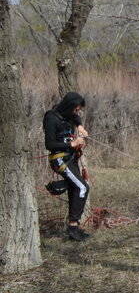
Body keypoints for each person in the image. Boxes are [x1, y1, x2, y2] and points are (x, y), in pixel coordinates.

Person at [43, 91, 91, 242]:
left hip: (71, 158)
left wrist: (81, 127)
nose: (77, 112)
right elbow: (49, 144)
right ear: (69, 106)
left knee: (75, 189)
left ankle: (75, 229)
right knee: (83, 188)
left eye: (78, 110)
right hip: (60, 160)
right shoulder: (51, 118)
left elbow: (75, 117)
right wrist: (72, 143)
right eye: (75, 109)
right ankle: (72, 226)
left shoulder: (68, 114)